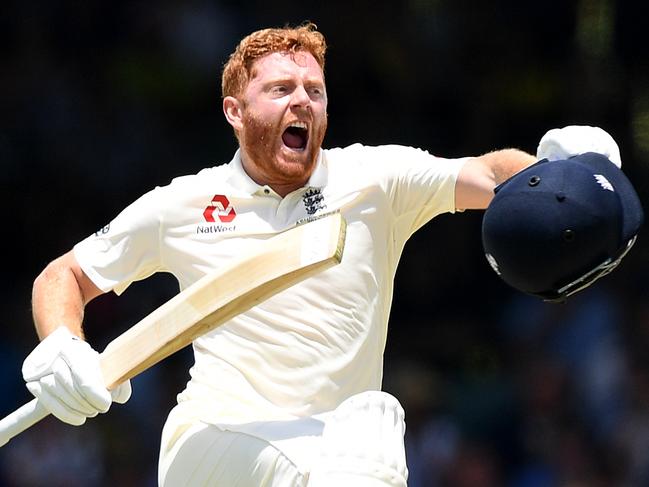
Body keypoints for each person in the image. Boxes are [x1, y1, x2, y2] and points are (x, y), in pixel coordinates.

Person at [21, 23, 625, 486]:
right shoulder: (183, 203)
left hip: (334, 452)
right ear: (235, 111)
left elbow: (490, 175)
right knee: (369, 431)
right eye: (281, 89)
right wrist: (60, 345)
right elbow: (67, 275)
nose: (302, 101)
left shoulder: (377, 177)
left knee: (366, 428)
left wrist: (561, 176)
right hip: (212, 445)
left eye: (314, 90)